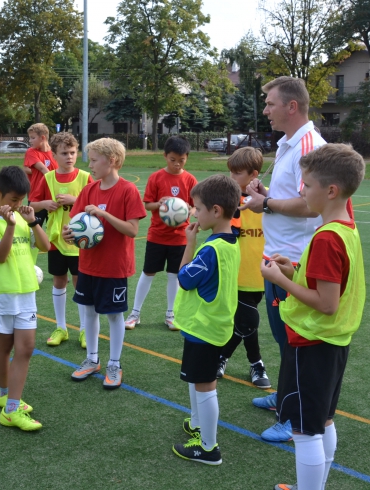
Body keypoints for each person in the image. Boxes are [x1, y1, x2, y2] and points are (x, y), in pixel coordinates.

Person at [261, 144, 366, 490]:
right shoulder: (346, 227)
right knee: (324, 421)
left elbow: (326, 303)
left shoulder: (326, 239)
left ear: (331, 190)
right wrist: (293, 272)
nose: (300, 190)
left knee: (304, 432)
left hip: (312, 343)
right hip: (332, 343)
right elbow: (328, 287)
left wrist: (279, 281)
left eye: (306, 185)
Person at [242, 76, 326, 442]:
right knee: (283, 338)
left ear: (292, 107)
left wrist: (268, 203)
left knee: (294, 340)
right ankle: (284, 397)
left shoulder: (309, 145)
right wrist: (268, 194)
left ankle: (292, 419)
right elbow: (291, 195)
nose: (265, 109)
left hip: (294, 262)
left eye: (270, 103)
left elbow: (311, 205)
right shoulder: (289, 143)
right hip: (276, 258)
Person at [61, 138, 147, 390]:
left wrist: (104, 214)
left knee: (113, 314)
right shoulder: (89, 190)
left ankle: (114, 364)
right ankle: (92, 360)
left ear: (111, 161)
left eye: (95, 160)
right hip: (88, 265)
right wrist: (70, 234)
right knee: (88, 311)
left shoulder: (128, 190)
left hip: (114, 267)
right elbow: (77, 225)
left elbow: (132, 230)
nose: (90, 164)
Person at [171, 174, 242, 466]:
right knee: (199, 380)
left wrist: (190, 244)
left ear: (215, 211)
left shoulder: (209, 250)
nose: (194, 213)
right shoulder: (230, 242)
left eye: (198, 208)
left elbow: (184, 279)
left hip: (205, 328)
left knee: (205, 385)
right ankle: (198, 425)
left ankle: (209, 448)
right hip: (213, 325)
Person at [0, 166, 50, 431]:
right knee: (5, 347)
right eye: (13, 200)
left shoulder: (23, 217)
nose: (17, 205)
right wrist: (10, 225)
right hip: (3, 294)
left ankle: (11, 407)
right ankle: (4, 392)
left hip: (26, 292)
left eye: (21, 201)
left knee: (26, 348)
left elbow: (44, 247)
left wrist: (32, 221)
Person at [125, 136, 197, 331]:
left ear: (187, 158)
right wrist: (161, 204)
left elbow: (195, 207)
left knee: (174, 275)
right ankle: (135, 313)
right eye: (172, 159)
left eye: (181, 160)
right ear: (165, 156)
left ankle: (171, 315)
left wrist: (186, 212)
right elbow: (148, 204)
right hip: (157, 235)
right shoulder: (156, 178)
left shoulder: (190, 180)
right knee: (148, 272)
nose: (177, 164)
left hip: (180, 237)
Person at [28, 132, 92, 348]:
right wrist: (45, 203)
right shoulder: (48, 178)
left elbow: (95, 203)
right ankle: (61, 327)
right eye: (64, 153)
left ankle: (84, 329)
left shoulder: (84, 177)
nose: (69, 157)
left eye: (73, 152)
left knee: (79, 282)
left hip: (79, 240)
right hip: (56, 239)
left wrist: (76, 200)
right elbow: (32, 204)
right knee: (59, 280)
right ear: (54, 155)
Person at [217, 147, 271, 389]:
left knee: (246, 321)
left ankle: (224, 356)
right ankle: (255, 363)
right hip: (231, 274)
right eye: (230, 172)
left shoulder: (268, 202)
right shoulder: (231, 203)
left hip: (258, 275)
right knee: (243, 321)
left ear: (254, 174)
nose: (231, 178)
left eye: (237, 173)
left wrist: (264, 198)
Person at [22, 123, 56, 223]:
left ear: (42, 138)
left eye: (33, 138)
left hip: (52, 198)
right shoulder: (31, 152)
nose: (30, 141)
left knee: (54, 232)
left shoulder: (55, 153)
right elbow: (43, 169)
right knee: (33, 229)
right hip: (37, 198)